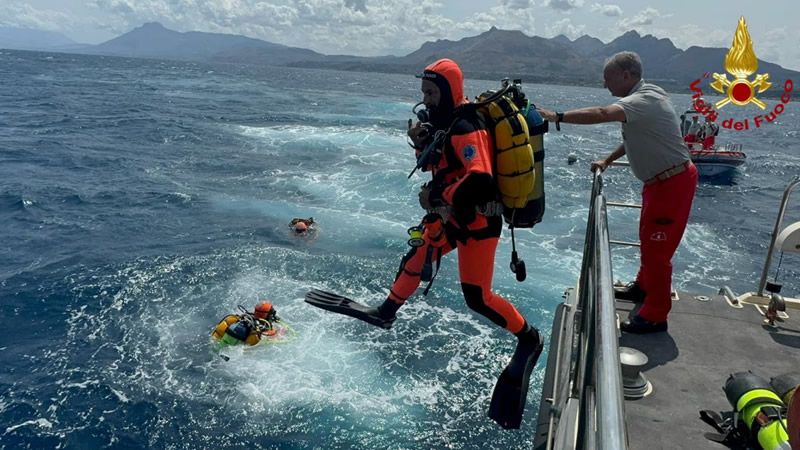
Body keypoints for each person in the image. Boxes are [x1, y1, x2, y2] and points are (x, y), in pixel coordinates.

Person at [306, 58, 543, 429]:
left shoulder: (465, 124)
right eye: (424, 93)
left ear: (449, 91)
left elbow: (478, 179)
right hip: (450, 216)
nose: (427, 100)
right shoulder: (445, 122)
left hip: (477, 221)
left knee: (477, 298)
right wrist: (419, 145)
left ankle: (529, 338)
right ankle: (386, 312)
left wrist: (436, 194)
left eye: (432, 93)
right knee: (419, 252)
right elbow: (440, 163)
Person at [538, 51, 698, 334]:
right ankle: (643, 287)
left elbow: (602, 113)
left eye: (607, 78)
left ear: (626, 75)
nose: (604, 85)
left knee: (657, 251)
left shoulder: (643, 100)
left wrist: (556, 116)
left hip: (672, 184)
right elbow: (639, 137)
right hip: (660, 182)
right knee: (648, 242)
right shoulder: (649, 96)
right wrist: (608, 160)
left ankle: (655, 315)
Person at [211, 301, 281, 347]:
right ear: (269, 314)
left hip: (217, 343)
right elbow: (278, 337)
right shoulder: (261, 328)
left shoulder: (242, 318)